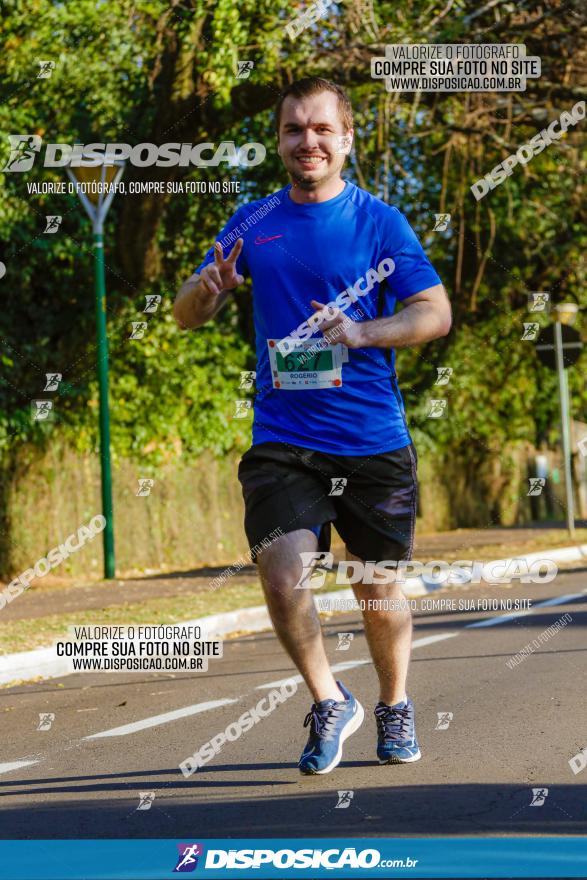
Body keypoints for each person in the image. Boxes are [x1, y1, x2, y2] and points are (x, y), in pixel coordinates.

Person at [174, 76, 452, 775]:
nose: (308, 141)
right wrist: (206, 292)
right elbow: (184, 313)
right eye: (295, 129)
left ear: (346, 138)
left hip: (369, 438)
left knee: (376, 590)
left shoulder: (379, 222)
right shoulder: (250, 222)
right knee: (281, 571)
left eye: (322, 129)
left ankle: (392, 704)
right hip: (283, 438)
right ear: (278, 141)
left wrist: (362, 333)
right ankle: (329, 699)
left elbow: (433, 313)